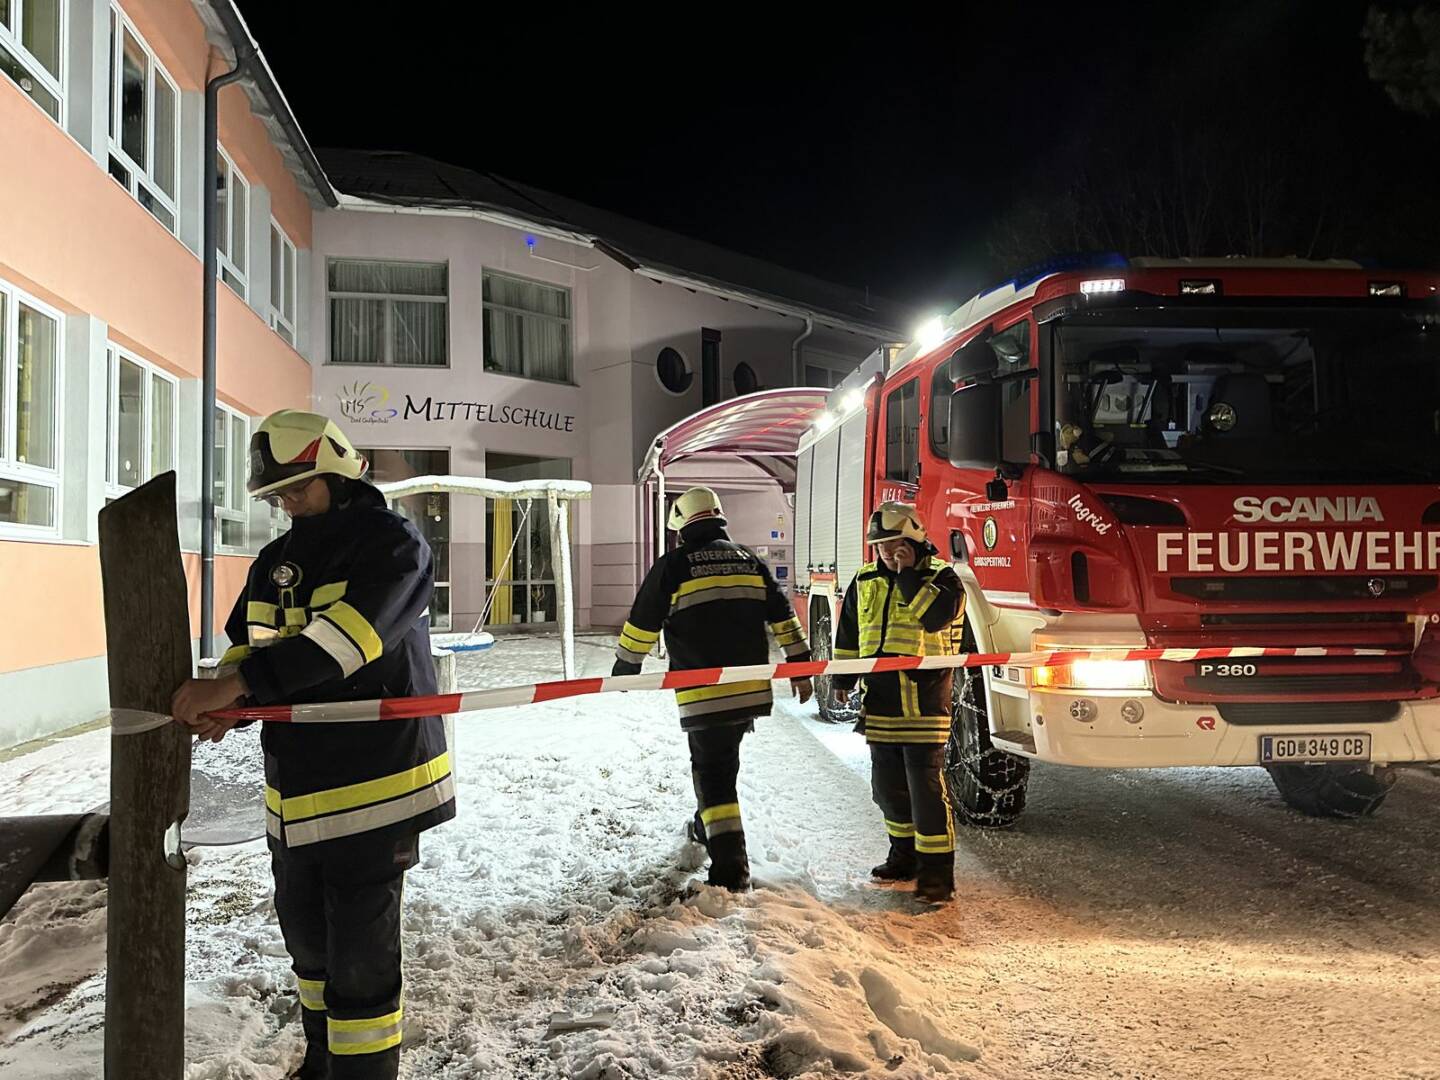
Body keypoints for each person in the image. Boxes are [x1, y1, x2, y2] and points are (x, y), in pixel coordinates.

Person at [170, 409, 454, 1080]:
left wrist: (242, 684)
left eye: (300, 487)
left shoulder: (392, 544)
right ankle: (324, 1061)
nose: (289, 503)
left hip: (379, 786)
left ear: (338, 470)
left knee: (361, 959)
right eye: (278, 495)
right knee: (309, 946)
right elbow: (249, 648)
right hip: (296, 795)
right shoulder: (275, 563)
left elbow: (347, 642)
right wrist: (233, 704)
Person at [612, 486, 813, 891]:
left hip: (703, 692)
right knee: (723, 765)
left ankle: (730, 868)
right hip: (749, 690)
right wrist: (801, 666)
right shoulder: (748, 559)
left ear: (681, 527)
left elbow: (644, 619)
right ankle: (707, 828)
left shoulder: (675, 565)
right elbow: (783, 615)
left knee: (714, 775)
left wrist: (626, 666)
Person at [831, 501, 964, 905]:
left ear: (915, 539)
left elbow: (935, 619)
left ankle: (937, 875)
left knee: (925, 789)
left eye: (894, 544)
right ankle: (903, 858)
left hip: (923, 702)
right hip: (881, 701)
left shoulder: (943, 578)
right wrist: (843, 677)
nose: (887, 553)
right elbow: (851, 632)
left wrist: (907, 576)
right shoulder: (865, 578)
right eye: (881, 546)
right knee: (887, 788)